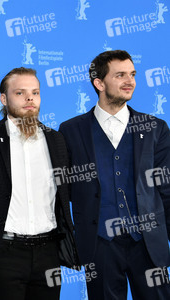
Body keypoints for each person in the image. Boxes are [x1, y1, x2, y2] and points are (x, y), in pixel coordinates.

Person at [59, 50, 170, 299]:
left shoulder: (155, 128)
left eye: (132, 74)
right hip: (100, 245)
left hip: (147, 243)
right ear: (99, 83)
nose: (129, 81)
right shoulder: (71, 130)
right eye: (120, 75)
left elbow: (167, 189)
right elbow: (62, 190)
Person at [0, 67, 79, 300]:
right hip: (4, 254)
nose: (29, 99)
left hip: (48, 254)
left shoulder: (55, 139)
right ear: (4, 99)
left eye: (35, 93)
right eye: (20, 93)